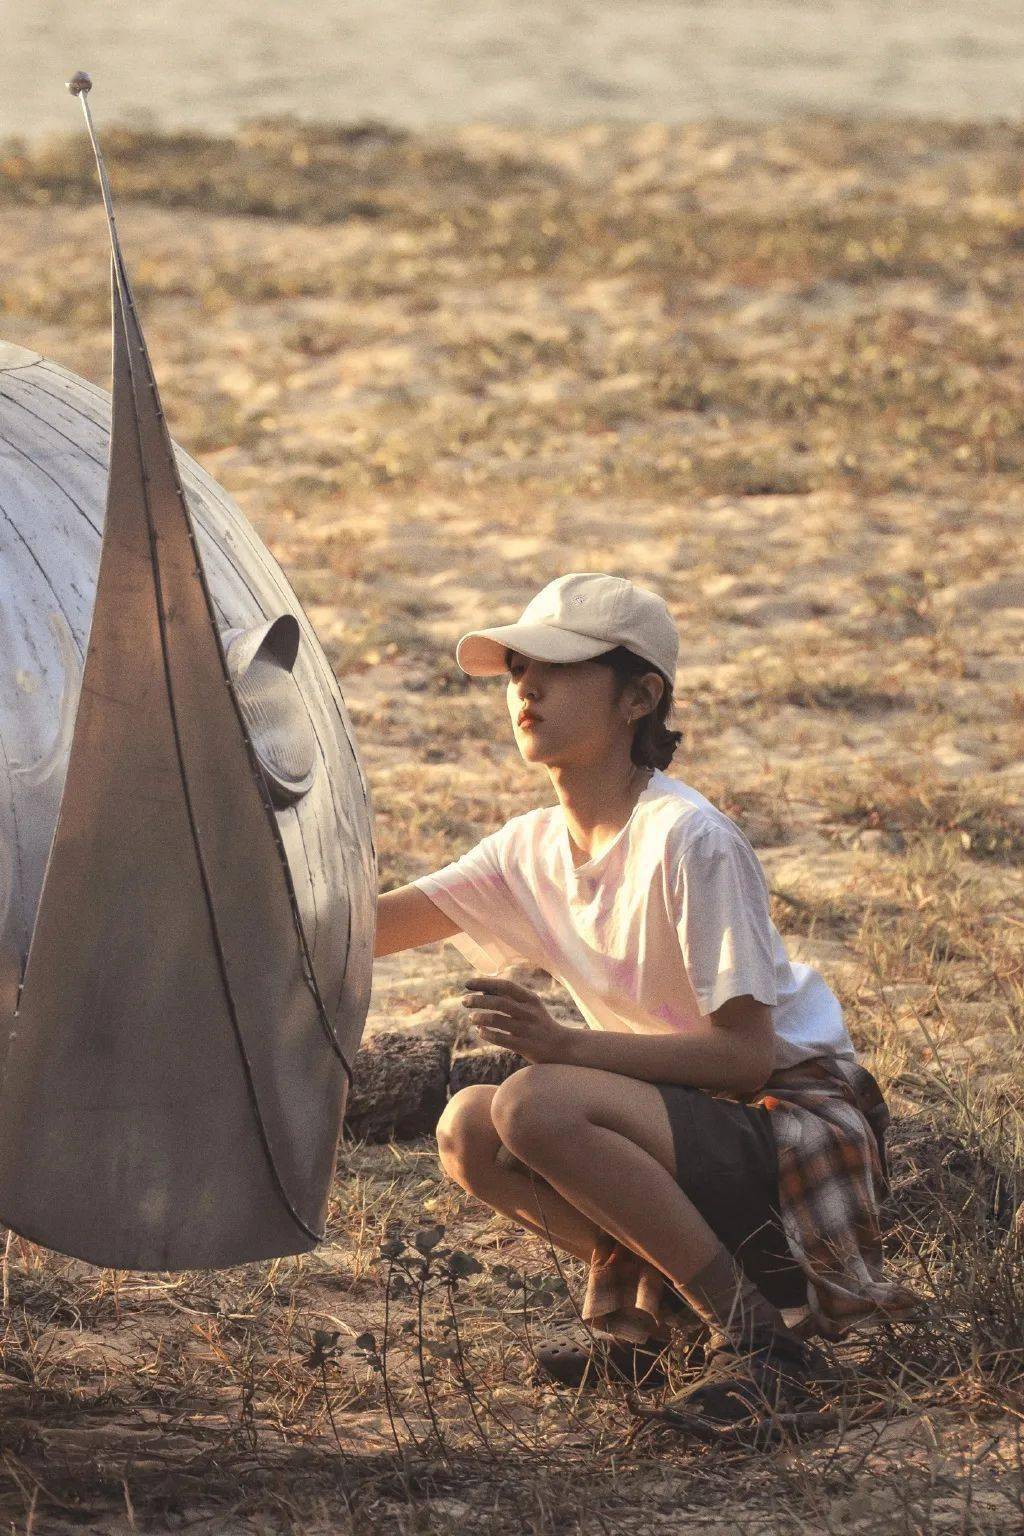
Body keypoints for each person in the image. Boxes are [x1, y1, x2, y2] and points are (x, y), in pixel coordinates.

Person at [373, 572, 915, 1438]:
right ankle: (668, 1318)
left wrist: (563, 1046)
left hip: (787, 1132)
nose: (527, 689)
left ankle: (762, 1347)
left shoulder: (690, 839)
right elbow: (366, 930)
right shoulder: (531, 848)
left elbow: (743, 1058)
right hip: (681, 1135)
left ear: (640, 696)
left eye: (558, 668)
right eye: (517, 669)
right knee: (467, 1129)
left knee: (531, 1101)